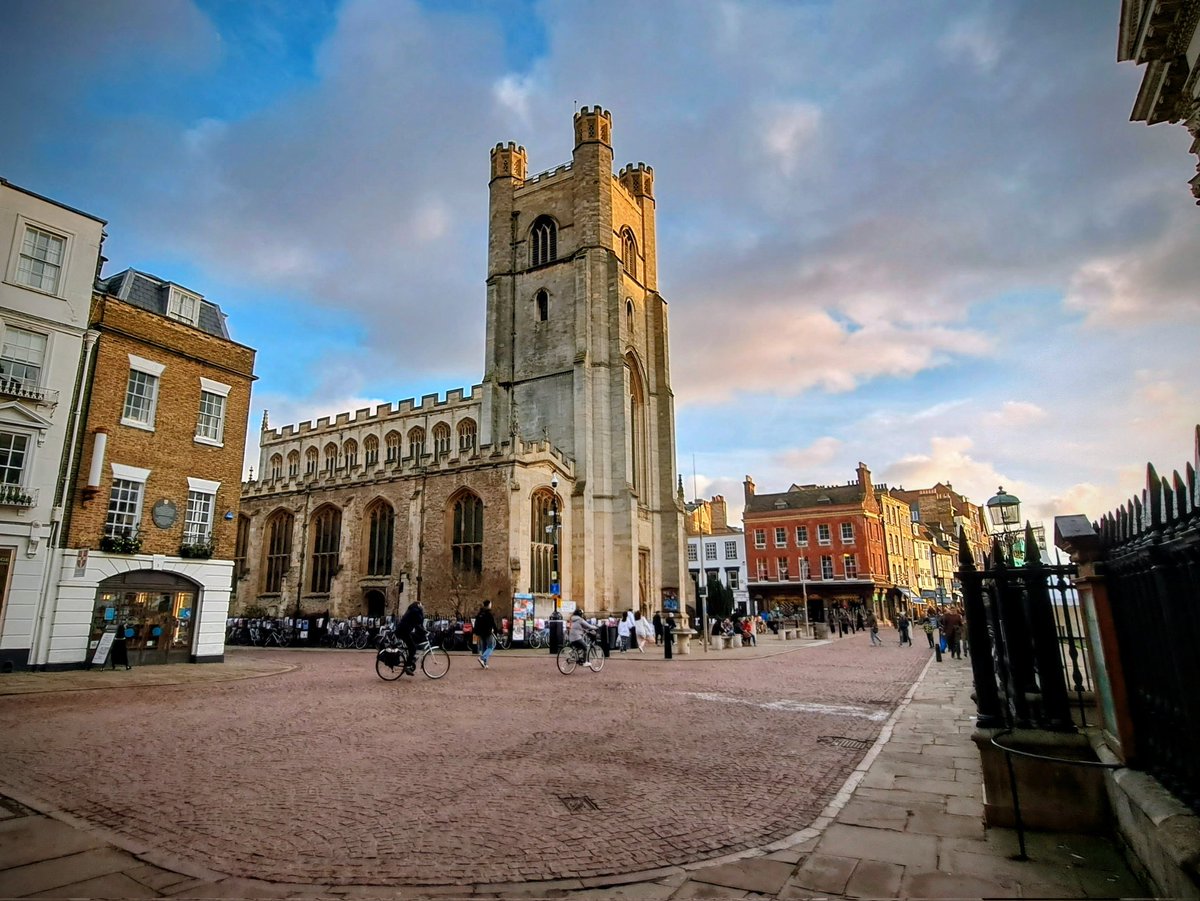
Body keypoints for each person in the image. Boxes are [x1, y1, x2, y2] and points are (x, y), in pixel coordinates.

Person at [396, 599, 426, 674]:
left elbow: (416, 624)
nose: (422, 607)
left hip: (403, 630)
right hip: (403, 631)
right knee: (413, 648)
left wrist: (423, 631)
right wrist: (421, 611)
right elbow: (420, 620)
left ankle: (411, 657)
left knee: (413, 641)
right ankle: (407, 666)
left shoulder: (412, 610)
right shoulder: (415, 611)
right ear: (418, 605)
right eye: (421, 605)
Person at [473, 599, 498, 669]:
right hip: (488, 632)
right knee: (491, 646)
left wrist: (476, 631)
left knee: (484, 647)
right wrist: (496, 631)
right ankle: (482, 658)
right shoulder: (489, 613)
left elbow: (476, 623)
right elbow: (493, 623)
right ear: (489, 605)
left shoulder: (480, 614)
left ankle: (484, 663)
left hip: (481, 633)